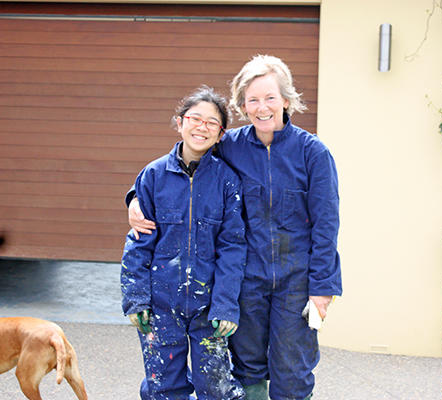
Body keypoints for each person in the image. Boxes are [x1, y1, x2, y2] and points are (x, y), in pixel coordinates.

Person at [128, 55, 342, 400]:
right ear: (242, 105)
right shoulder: (230, 146)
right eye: (252, 99)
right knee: (247, 367)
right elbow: (183, 171)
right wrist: (135, 197)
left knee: (293, 370)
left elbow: (326, 225)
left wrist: (323, 289)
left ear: (286, 100)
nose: (262, 107)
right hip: (247, 282)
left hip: (297, 282)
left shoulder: (313, 153)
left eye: (270, 98)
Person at [121, 86, 246, 400]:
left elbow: (233, 247)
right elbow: (138, 242)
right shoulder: (152, 176)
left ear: (221, 134)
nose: (201, 127)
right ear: (179, 122)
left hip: (210, 308)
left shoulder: (227, 181)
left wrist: (226, 305)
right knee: (163, 386)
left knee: (216, 388)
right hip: (160, 306)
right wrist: (136, 298)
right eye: (195, 118)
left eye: (212, 123)